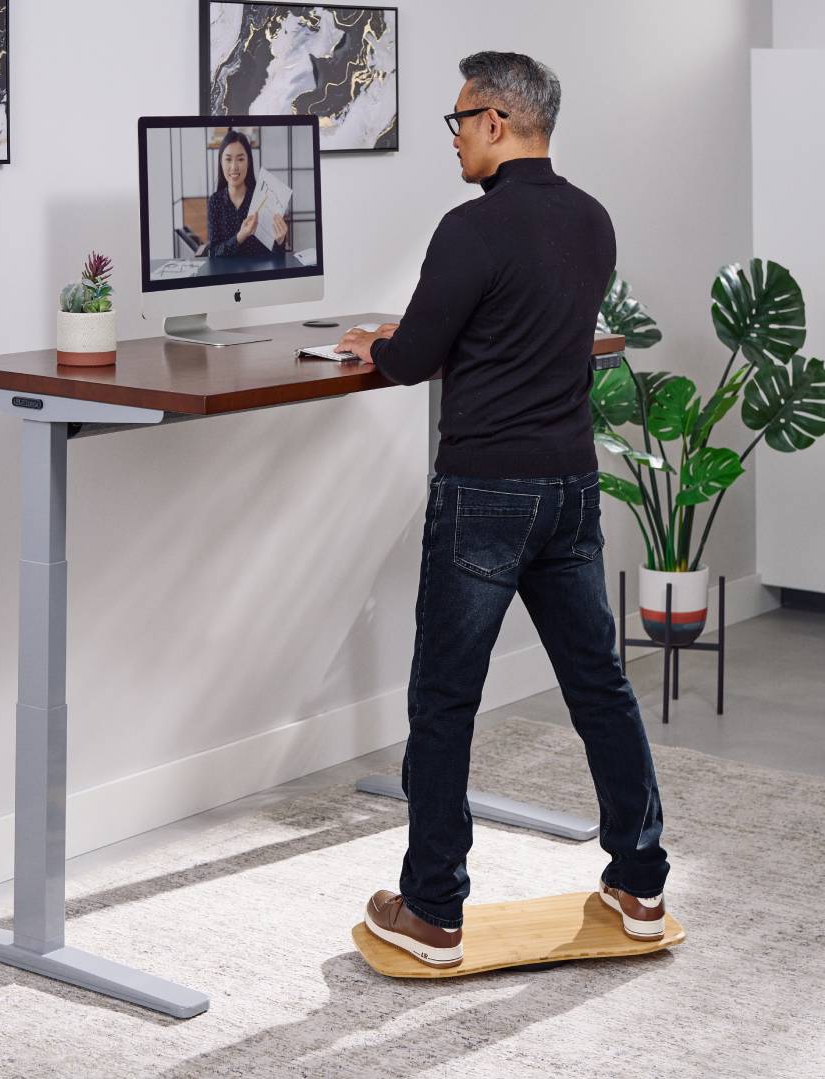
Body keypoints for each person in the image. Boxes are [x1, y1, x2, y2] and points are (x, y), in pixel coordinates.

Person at [341, 51, 671, 969]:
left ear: (495, 120)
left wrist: (377, 342)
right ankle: (641, 883)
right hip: (569, 489)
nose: (452, 141)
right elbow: (534, 330)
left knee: (445, 699)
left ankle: (433, 911)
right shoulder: (592, 220)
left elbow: (411, 361)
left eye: (457, 122)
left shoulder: (471, 228)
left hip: (485, 492)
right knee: (598, 684)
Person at [205, 129, 288, 258]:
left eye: (240, 159)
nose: (234, 167)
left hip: (260, 276)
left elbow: (277, 257)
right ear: (221, 163)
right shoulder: (215, 202)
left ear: (248, 162)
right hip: (229, 277)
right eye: (228, 159)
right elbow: (214, 253)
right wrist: (240, 236)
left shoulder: (263, 198)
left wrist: (280, 240)